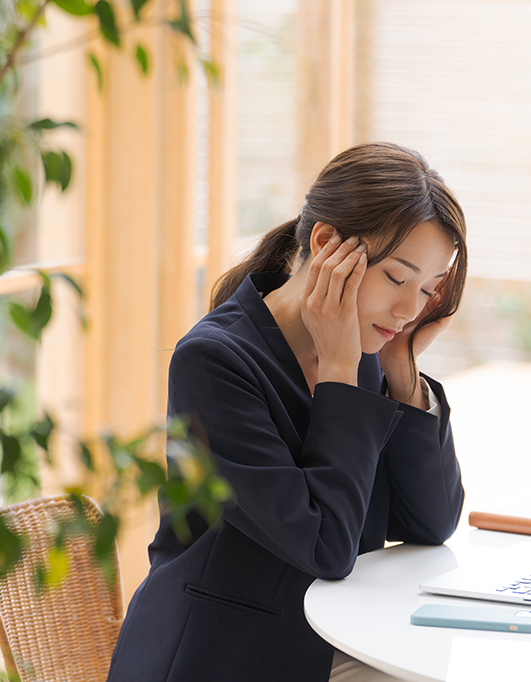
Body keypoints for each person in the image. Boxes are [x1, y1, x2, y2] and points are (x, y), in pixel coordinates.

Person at [106, 141, 468, 682]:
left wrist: (402, 370)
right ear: (325, 243)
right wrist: (341, 376)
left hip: (335, 640)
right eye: (396, 278)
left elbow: (430, 522)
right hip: (221, 655)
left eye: (427, 290)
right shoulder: (214, 361)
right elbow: (324, 546)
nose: (408, 310)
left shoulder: (371, 352)